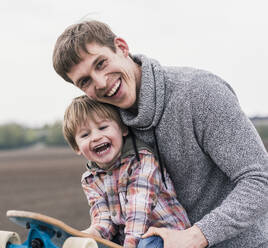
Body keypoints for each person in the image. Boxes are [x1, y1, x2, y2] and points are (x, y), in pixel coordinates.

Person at [53, 20, 268, 248]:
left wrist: (197, 235)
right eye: (85, 81)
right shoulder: (108, 121)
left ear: (122, 47)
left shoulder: (200, 93)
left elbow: (261, 180)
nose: (101, 82)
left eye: (101, 63)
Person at [63, 95, 191, 248]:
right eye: (85, 135)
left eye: (103, 127)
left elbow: (139, 213)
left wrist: (129, 245)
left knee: (147, 243)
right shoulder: (90, 179)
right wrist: (90, 236)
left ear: (123, 129)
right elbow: (104, 219)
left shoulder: (142, 161)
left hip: (166, 235)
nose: (96, 137)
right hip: (131, 240)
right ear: (76, 147)